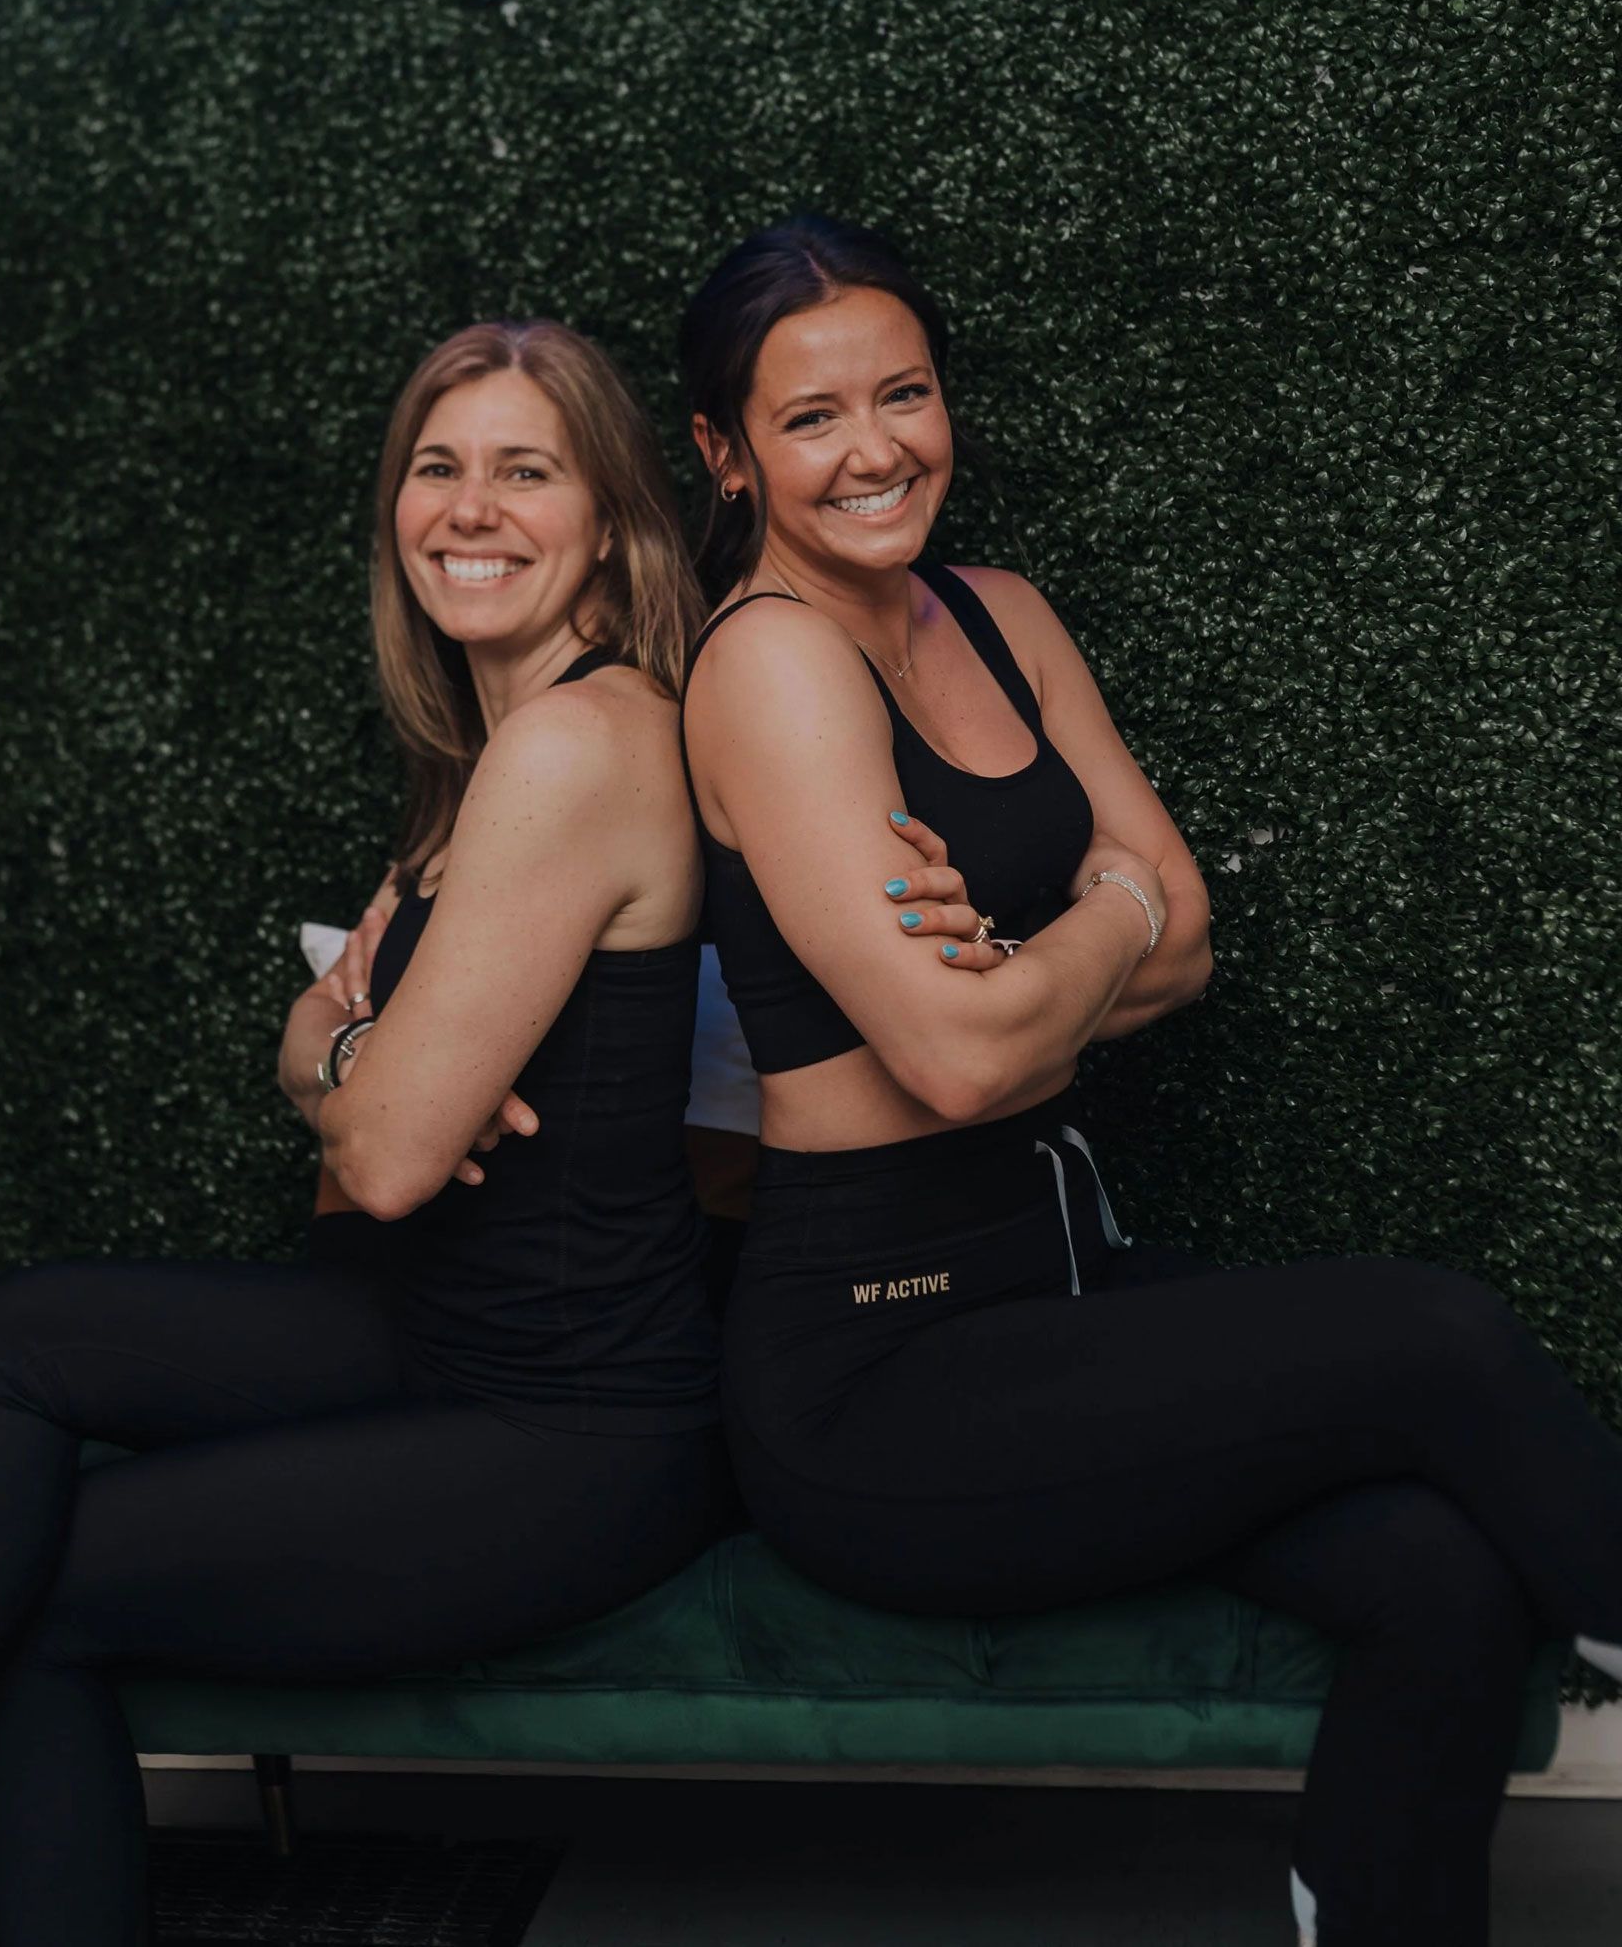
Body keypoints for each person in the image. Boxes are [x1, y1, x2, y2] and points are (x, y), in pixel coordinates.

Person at [675, 214, 1622, 1947]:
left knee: (1441, 1567)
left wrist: (1058, 955)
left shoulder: (998, 612)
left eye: (907, 392)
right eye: (812, 417)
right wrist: (1100, 906)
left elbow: (1190, 942)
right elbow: (972, 1054)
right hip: (879, 1376)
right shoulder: (768, 664)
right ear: (726, 453)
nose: (877, 445)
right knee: (1439, 1335)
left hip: (1060, 1285)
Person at [0, 319, 728, 1947]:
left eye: (524, 472)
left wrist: (364, 1073)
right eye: (437, 466)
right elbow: (327, 1053)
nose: (469, 508)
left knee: (33, 1595)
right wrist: (346, 1055)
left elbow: (390, 1159)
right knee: (9, 1332)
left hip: (574, 1423)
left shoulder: (578, 742)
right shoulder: (488, 749)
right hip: (436, 1327)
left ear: (610, 519)